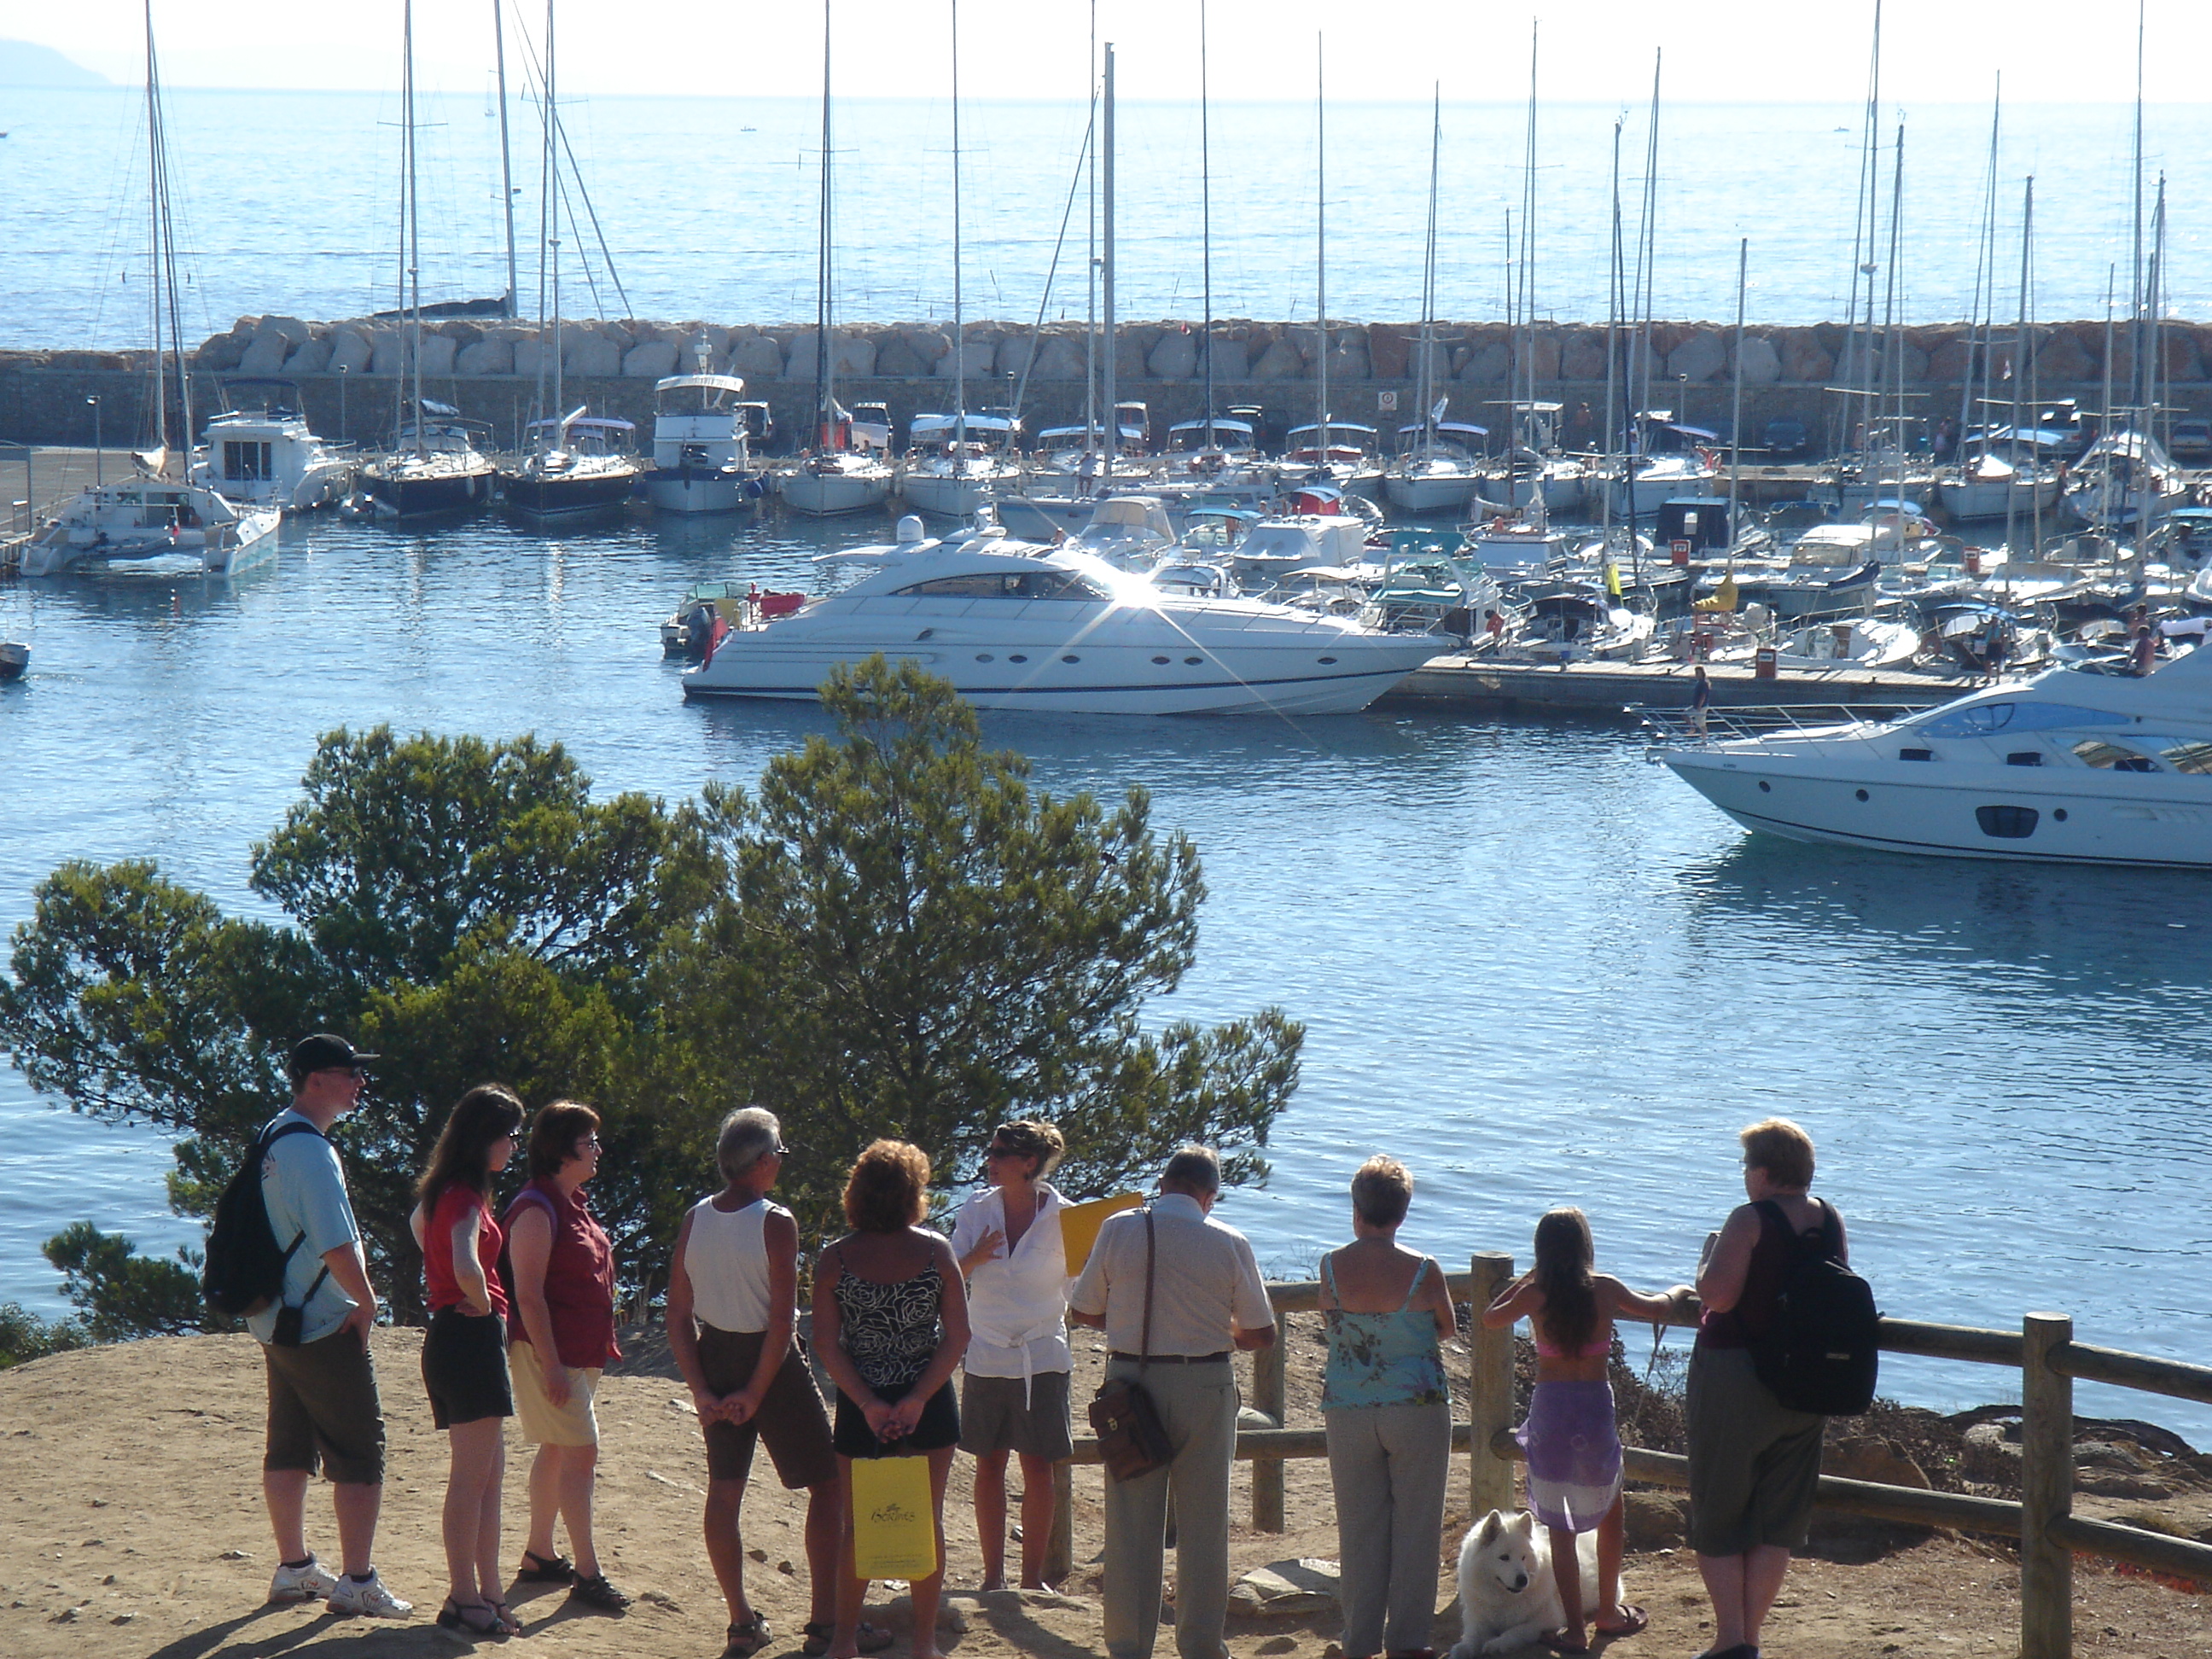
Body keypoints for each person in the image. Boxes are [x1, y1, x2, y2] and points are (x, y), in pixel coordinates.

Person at [667, 1109, 861, 1659]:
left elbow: (678, 1313)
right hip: (770, 1365)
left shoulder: (696, 1218)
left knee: (724, 1491)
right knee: (827, 1484)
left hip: (716, 1354)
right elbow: (782, 1320)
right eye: (779, 1152)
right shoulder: (776, 1221)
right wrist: (755, 1390)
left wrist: (702, 1388)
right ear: (764, 1159)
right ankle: (826, 1621)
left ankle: (740, 1622)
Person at [1068, 1145, 1277, 1659]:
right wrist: (1221, 1332)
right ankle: (1202, 1644)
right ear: (1209, 1196)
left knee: (1130, 1525)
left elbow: (1083, 1310)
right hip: (1205, 1384)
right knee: (1205, 1524)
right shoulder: (1228, 1241)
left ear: (1163, 1183)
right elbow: (1262, 1331)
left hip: (1130, 1385)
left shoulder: (1118, 1228)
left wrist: (1131, 1324)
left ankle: (1128, 1645)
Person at [248, 1034, 410, 1617]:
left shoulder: (273, 1135)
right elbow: (336, 1243)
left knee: (287, 1444)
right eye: (350, 1073)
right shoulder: (313, 1152)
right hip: (320, 1322)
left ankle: (295, 1569)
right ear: (315, 1079)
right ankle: (358, 1580)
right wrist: (366, 1303)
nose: (360, 1083)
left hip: (275, 1319)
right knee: (360, 1453)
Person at [1482, 1208, 1683, 1654]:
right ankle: (1607, 1612)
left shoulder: (1536, 1294)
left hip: (1552, 1411)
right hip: (1593, 1410)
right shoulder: (1605, 1289)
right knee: (1611, 1512)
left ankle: (1574, 1628)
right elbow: (1658, 1307)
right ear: (1585, 1247)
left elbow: (1491, 1317)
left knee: (1559, 1523)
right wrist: (1681, 1290)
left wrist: (1529, 1279)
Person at [1687, 1119, 1848, 1659]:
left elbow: (1719, 1296)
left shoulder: (1749, 1220)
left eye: (1745, 1166)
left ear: (1763, 1170)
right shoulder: (1828, 1219)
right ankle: (1749, 1639)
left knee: (1719, 1507)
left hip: (1736, 1378)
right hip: (1807, 1386)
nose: (1743, 1176)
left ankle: (1730, 1639)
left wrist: (1705, 1260)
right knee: (1778, 1520)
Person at [813, 1141, 969, 1659]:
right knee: (927, 1520)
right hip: (929, 1400)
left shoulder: (833, 1259)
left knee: (856, 1527)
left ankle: (842, 1643)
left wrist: (867, 1403)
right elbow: (957, 1336)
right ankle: (924, 1644)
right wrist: (919, 1398)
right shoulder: (936, 1251)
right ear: (912, 1193)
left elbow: (827, 1345)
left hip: (863, 1403)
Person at [1318, 1157, 1457, 1659]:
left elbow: (1332, 1322)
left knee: (1359, 1529)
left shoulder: (1331, 1265)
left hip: (1349, 1406)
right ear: (1403, 1213)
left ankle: (1358, 1640)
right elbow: (1447, 1327)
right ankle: (1407, 1642)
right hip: (1416, 1406)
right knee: (1417, 1527)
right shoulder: (1423, 1269)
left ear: (1356, 1208)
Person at [407, 1083, 527, 1637]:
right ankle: (463, 1597)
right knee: (471, 1479)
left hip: (455, 1338)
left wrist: (459, 1297)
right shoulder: (464, 1195)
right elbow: (464, 1263)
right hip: (467, 1339)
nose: (513, 1146)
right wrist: (479, 1303)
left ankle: (488, 1591)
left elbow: (417, 1228)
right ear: (487, 1137)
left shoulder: (447, 1189)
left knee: (488, 1476)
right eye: (509, 1135)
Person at [505, 1100, 632, 1613]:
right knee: (581, 1451)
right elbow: (528, 1294)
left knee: (559, 1448)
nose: (598, 1150)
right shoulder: (536, 1206)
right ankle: (587, 1571)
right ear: (562, 1150)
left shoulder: (570, 1202)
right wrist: (552, 1364)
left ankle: (540, 1554)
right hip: (549, 1353)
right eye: (590, 1142)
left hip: (580, 1351)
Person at [949, 1121, 1074, 1592]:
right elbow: (949, 1274)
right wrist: (976, 1256)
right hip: (986, 1353)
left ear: (1028, 1164)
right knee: (989, 1464)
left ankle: (1031, 1578)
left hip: (1042, 1355)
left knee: (1039, 1467)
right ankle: (993, 1577)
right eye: (990, 1150)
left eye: (1000, 1153)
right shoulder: (976, 1209)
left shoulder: (1066, 1216)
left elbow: (1081, 1290)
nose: (990, 1160)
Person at [1689, 664, 1713, 741]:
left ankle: (1704, 740)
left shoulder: (1704, 683)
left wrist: (1699, 705)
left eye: (1698, 673)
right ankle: (1692, 728)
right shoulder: (1700, 682)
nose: (1696, 675)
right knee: (1685, 714)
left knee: (1701, 724)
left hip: (1701, 706)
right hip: (1696, 705)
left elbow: (1703, 695)